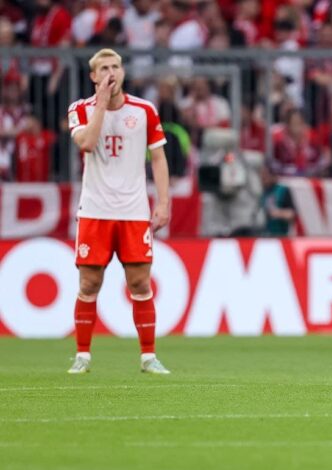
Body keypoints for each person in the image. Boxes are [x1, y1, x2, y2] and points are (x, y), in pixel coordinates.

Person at [67, 49, 171, 375]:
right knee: (89, 283)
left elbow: (158, 158)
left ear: (123, 72)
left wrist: (163, 202)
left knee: (140, 283)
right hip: (95, 210)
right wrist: (100, 103)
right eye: (104, 69)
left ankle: (149, 357)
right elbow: (87, 143)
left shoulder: (144, 110)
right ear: (93, 76)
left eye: (116, 67)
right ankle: (82, 356)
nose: (111, 73)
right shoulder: (80, 109)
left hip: (133, 211)